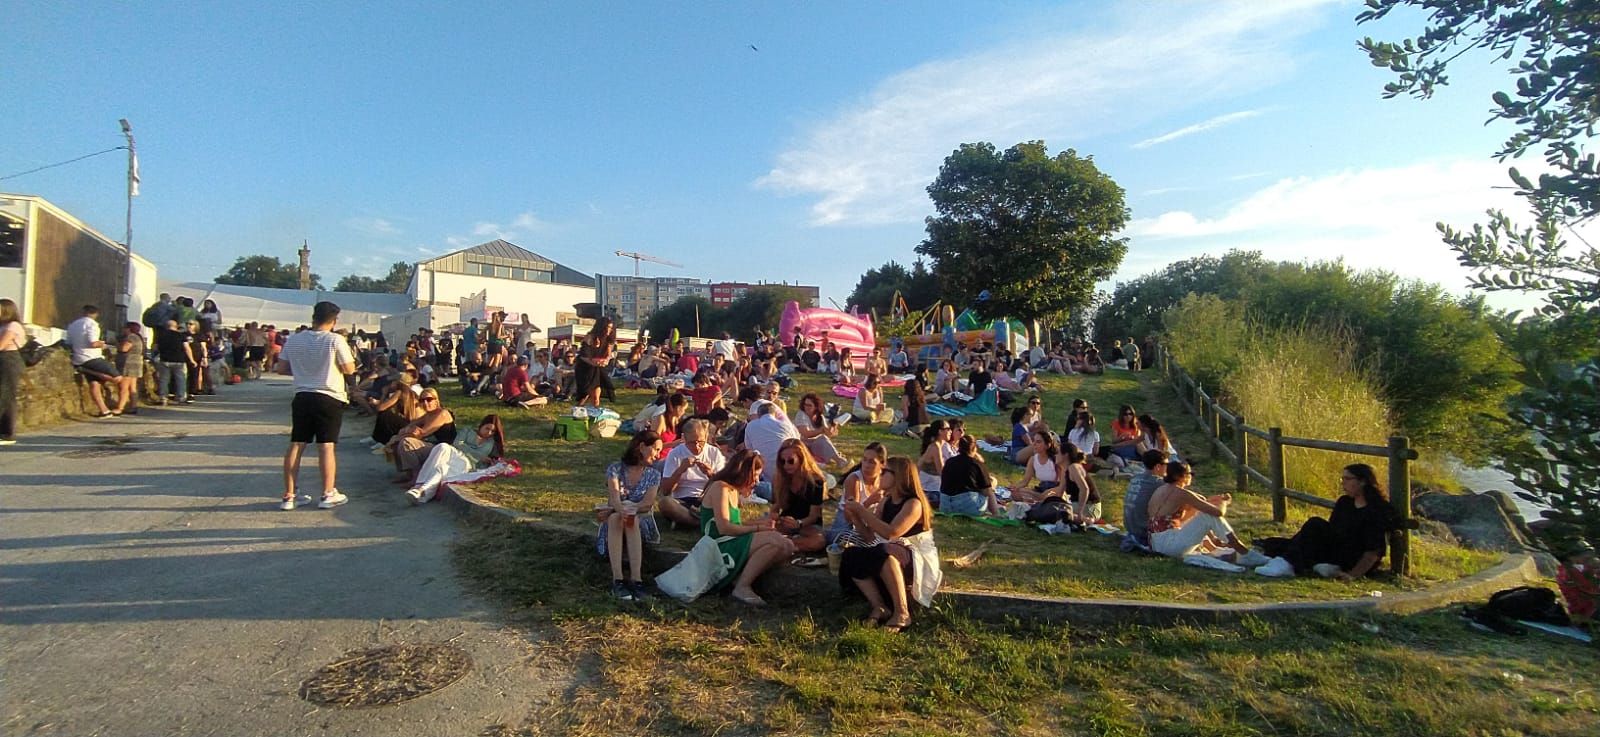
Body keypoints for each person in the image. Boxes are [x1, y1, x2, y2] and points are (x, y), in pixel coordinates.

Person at [838, 456, 942, 631]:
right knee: (851, 555)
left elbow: (892, 532)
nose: (881, 474)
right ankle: (879, 606)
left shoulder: (913, 504)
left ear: (899, 476)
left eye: (886, 471)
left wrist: (862, 510)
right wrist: (856, 516)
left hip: (915, 556)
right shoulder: (886, 501)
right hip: (889, 550)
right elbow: (870, 536)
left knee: (885, 553)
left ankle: (902, 612)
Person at [276, 301, 357, 510]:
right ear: (334, 320)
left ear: (314, 317)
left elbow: (281, 368)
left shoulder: (294, 340)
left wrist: (305, 372)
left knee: (297, 443)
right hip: (328, 395)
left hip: (303, 394)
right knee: (326, 446)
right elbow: (349, 368)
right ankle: (328, 492)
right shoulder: (335, 340)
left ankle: (289, 495)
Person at [1267, 464, 1397, 579]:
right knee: (1310, 530)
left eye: (1347, 479)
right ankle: (1287, 560)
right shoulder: (1345, 502)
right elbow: (1332, 529)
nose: (1343, 483)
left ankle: (1288, 563)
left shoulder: (1377, 510)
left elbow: (1374, 551)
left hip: (1354, 556)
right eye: (1342, 479)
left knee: (1312, 526)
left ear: (1362, 481)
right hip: (1337, 548)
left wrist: (1353, 575)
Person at [700, 449, 795, 606]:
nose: (757, 481)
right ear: (743, 472)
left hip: (730, 540)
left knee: (788, 546)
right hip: (719, 545)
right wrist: (758, 529)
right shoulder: (720, 488)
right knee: (775, 542)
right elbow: (724, 528)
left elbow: (736, 523)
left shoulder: (733, 491)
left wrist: (763, 524)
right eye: (756, 475)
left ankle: (737, 577)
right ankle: (742, 587)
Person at [600, 430, 664, 601]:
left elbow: (648, 503)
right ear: (642, 447)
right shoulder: (615, 469)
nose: (658, 455)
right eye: (656, 449)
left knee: (629, 518)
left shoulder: (653, 474)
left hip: (640, 522)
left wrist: (629, 508)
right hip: (618, 518)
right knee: (616, 518)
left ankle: (634, 579)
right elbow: (614, 498)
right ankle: (619, 579)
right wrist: (622, 509)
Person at [1145, 462, 1252, 561]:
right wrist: (1223, 503)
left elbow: (1197, 507)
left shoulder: (1160, 490)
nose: (1191, 476)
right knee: (1207, 516)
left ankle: (1214, 546)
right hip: (1170, 545)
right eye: (1189, 473)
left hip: (1156, 544)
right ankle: (1240, 549)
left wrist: (1212, 501)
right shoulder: (1181, 493)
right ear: (1179, 476)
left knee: (1200, 515)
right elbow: (1218, 513)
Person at [405, 414, 505, 504]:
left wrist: (490, 462)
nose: (489, 432)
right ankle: (419, 487)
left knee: (441, 469)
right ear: (482, 425)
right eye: (487, 428)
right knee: (442, 446)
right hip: (455, 453)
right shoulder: (467, 431)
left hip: (467, 463)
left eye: (493, 431)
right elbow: (457, 444)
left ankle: (421, 491)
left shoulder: (491, 443)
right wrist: (479, 455)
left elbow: (493, 460)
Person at [658, 418, 726, 528]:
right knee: (665, 503)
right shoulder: (675, 453)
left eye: (701, 442)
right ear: (684, 438)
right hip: (682, 501)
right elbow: (666, 491)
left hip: (707, 498)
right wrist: (680, 470)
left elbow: (722, 485)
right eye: (692, 443)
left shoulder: (714, 452)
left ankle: (688, 520)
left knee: (723, 496)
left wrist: (710, 474)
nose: (697, 447)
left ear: (706, 437)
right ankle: (700, 522)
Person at [388, 387, 457, 484]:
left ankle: (417, 476)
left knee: (406, 442)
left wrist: (404, 434)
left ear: (436, 400)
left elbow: (423, 433)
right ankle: (408, 473)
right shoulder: (428, 415)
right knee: (396, 440)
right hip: (434, 446)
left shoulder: (442, 414)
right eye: (422, 400)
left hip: (443, 450)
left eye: (429, 399)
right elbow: (407, 427)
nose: (425, 403)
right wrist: (403, 433)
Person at [827, 442, 887, 548]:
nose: (867, 465)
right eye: (864, 460)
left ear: (882, 464)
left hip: (871, 524)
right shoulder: (854, 480)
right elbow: (850, 516)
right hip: (847, 525)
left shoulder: (885, 480)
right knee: (849, 544)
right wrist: (869, 502)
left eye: (872, 462)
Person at [772, 439, 827, 554]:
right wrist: (775, 517)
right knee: (761, 529)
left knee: (819, 540)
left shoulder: (815, 481)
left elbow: (814, 516)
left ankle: (784, 544)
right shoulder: (780, 479)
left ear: (801, 459)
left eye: (791, 461)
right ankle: (791, 545)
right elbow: (775, 507)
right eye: (782, 461)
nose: (786, 465)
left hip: (807, 524)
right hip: (785, 522)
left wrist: (798, 523)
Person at [68, 305, 118, 417]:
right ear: (96, 314)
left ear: (83, 312)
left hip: (79, 357)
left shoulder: (73, 325)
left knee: (94, 384)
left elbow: (69, 343)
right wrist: (103, 344)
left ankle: (104, 411)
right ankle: (119, 407)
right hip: (92, 357)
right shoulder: (92, 324)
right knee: (118, 378)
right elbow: (94, 343)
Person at [940, 435, 1001, 516]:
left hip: (945, 506)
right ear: (974, 448)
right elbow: (987, 491)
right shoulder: (976, 464)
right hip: (967, 507)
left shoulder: (949, 462)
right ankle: (996, 513)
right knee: (991, 486)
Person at [743, 400, 799, 486]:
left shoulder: (751, 426)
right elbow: (798, 445)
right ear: (775, 414)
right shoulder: (786, 426)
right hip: (790, 471)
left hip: (766, 474)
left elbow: (749, 451)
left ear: (758, 414)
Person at [1122, 449, 1169, 545]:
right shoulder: (1158, 482)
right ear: (1158, 466)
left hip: (1130, 527)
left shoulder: (1135, 478)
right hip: (1143, 530)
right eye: (1166, 465)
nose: (1168, 468)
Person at [793, 392, 846, 467]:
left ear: (816, 406)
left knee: (823, 439)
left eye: (809, 405)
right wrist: (821, 430)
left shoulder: (819, 417)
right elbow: (806, 434)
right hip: (803, 445)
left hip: (814, 444)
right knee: (822, 439)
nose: (806, 407)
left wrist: (833, 423)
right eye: (805, 404)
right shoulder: (801, 414)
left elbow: (828, 434)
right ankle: (839, 460)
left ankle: (838, 459)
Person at [575, 317, 615, 408]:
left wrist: (605, 361)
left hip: (597, 369)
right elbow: (584, 356)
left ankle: (595, 412)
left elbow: (608, 355)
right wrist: (595, 363)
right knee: (585, 395)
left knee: (596, 395)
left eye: (611, 327)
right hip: (585, 369)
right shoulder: (590, 337)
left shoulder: (608, 340)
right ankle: (577, 412)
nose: (609, 330)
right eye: (608, 327)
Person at [1014, 431, 1063, 502]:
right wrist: (1015, 488)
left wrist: (1045, 493)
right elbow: (1025, 481)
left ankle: (1038, 501)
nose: (1034, 444)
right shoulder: (1033, 459)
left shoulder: (1056, 460)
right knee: (1017, 493)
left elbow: (1063, 485)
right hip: (1041, 489)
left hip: (1055, 490)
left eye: (1038, 442)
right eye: (1034, 441)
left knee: (1048, 496)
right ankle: (1037, 500)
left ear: (1047, 445)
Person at [0, 298, 23, 445]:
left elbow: (1, 345)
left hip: (9, 360)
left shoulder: (13, 326)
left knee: (6, 396)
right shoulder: (2, 326)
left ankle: (7, 434)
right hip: (3, 360)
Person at [113, 322, 146, 415]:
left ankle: (120, 408)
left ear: (129, 329)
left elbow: (124, 348)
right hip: (136, 364)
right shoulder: (139, 337)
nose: (123, 330)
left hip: (128, 364)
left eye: (124, 328)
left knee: (124, 387)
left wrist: (117, 344)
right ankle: (133, 406)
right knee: (132, 387)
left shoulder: (131, 337)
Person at [916, 419, 953, 494]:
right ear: (940, 431)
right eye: (948, 429)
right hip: (928, 489)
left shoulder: (943, 444)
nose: (951, 431)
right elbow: (942, 472)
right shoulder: (935, 447)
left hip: (934, 486)